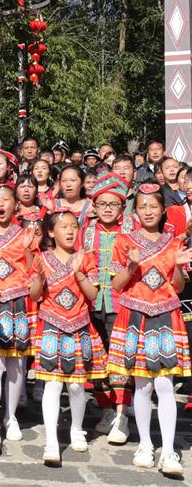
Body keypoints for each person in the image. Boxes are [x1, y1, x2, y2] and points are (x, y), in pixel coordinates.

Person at [108, 184, 192, 476]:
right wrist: (130, 266)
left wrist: (180, 268)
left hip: (166, 315)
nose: (147, 211)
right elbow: (116, 285)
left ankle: (169, 450)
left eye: (153, 206)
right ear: (135, 211)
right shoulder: (124, 241)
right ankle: (145, 444)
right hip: (134, 315)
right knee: (141, 385)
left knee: (165, 384)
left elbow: (178, 287)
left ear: (162, 210)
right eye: (142, 206)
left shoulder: (173, 243)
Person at [30, 210, 106, 465]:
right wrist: (39, 280)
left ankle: (76, 427)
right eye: (64, 227)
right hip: (51, 324)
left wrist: (79, 273)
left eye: (74, 226)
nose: (71, 231)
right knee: (52, 383)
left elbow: (92, 295)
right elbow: (33, 295)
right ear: (51, 232)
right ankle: (51, 440)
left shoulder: (86, 258)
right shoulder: (41, 259)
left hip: (79, 325)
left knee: (75, 385)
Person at [0, 184, 36, 451]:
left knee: (17, 365)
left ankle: (10, 416)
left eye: (6, 199)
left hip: (18, 302)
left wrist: (27, 249)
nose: (1, 204)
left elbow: (35, 269)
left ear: (16, 204)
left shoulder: (26, 233)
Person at [82, 173, 136, 444]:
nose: (106, 209)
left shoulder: (130, 230)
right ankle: (106, 409)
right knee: (96, 359)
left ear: (121, 207)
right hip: (92, 303)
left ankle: (122, 413)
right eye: (101, 204)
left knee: (121, 360)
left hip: (121, 304)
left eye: (112, 204)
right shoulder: (87, 230)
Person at [55, 165, 94, 229]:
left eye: (72, 180)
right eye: (64, 180)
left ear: (82, 183)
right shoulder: (53, 205)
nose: (68, 184)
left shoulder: (91, 207)